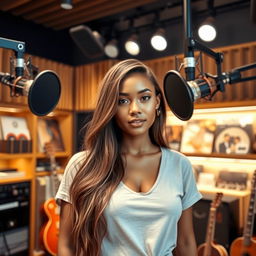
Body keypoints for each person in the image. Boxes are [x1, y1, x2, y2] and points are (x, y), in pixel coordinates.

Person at [56, 59, 202, 256]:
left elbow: (185, 242)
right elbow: (66, 245)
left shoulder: (180, 165)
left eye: (145, 98)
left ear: (157, 102)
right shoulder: (82, 165)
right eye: (123, 101)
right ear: (111, 108)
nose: (135, 109)